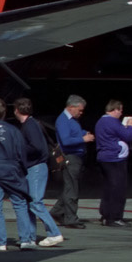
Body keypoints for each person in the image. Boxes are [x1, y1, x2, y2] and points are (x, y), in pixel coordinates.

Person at [0, 98, 35, 250]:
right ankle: (25, 239)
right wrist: (23, 170)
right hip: (11, 170)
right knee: (20, 203)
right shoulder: (13, 131)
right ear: (5, 113)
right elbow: (21, 152)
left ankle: (1, 242)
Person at [11, 97, 65, 246]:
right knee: (30, 202)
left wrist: (19, 150)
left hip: (36, 167)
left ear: (17, 110)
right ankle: (30, 236)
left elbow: (37, 147)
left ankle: (54, 233)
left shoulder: (29, 126)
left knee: (35, 202)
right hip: (34, 167)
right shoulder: (32, 124)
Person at [49, 95, 96, 229]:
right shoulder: (63, 120)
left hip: (78, 157)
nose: (81, 113)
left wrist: (83, 133)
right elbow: (66, 141)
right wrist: (83, 139)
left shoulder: (72, 120)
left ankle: (57, 212)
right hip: (70, 157)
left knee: (70, 187)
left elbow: (75, 133)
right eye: (80, 110)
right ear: (71, 107)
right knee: (72, 189)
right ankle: (71, 218)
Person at [96, 99, 132, 227]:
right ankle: (115, 217)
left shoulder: (101, 121)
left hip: (104, 158)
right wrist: (130, 125)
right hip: (115, 159)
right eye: (120, 110)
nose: (121, 114)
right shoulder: (112, 122)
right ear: (115, 110)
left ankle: (105, 215)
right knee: (118, 188)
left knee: (108, 187)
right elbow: (128, 136)